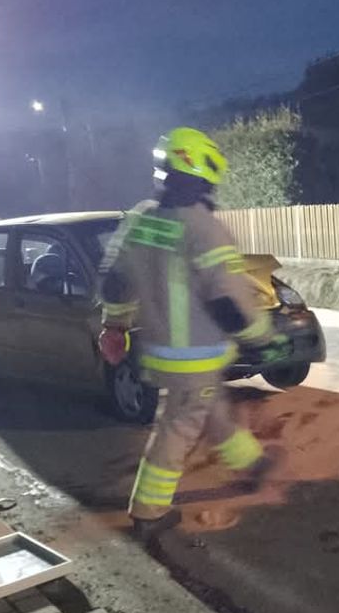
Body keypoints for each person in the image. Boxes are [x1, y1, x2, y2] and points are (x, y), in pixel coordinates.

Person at [98, 127, 288, 540]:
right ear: (206, 172)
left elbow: (115, 282)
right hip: (195, 354)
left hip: (161, 350)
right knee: (178, 428)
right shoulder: (202, 228)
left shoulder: (142, 220)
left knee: (211, 410)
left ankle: (251, 465)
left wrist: (113, 325)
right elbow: (228, 300)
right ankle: (148, 513)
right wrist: (264, 338)